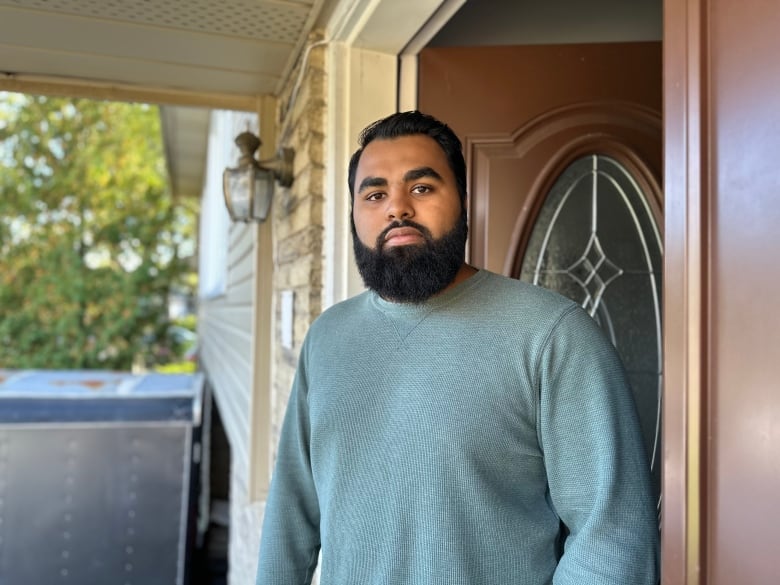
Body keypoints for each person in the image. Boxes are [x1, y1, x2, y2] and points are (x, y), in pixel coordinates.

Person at [255, 111, 659, 584]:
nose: (397, 209)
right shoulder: (326, 338)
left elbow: (612, 536)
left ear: (465, 201)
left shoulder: (552, 335)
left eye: (422, 188)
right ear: (354, 213)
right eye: (375, 193)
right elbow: (290, 514)